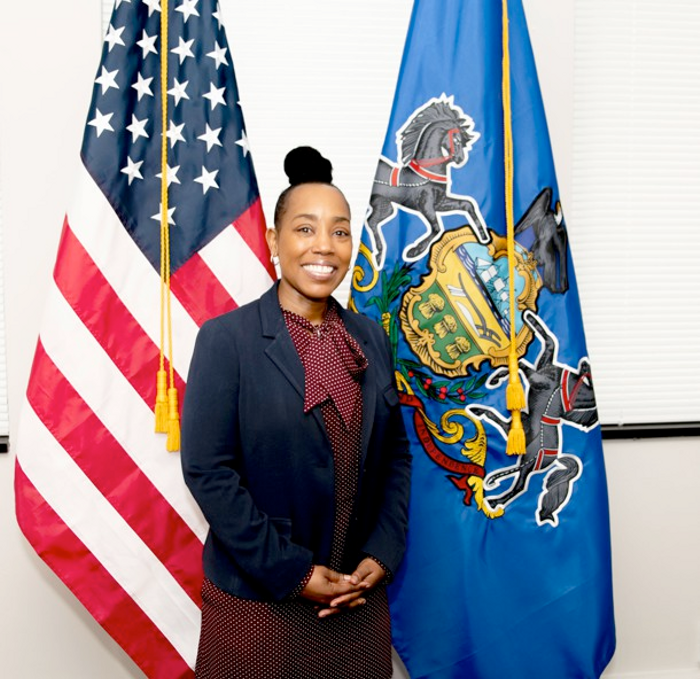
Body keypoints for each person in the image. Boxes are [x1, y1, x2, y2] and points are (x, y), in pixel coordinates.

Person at [181, 146, 412, 678]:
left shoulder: (370, 337)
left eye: (340, 231)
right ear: (274, 242)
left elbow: (395, 454)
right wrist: (296, 572)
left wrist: (382, 552)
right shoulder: (227, 340)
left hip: (355, 599)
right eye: (306, 230)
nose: (324, 247)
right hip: (262, 602)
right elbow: (209, 474)